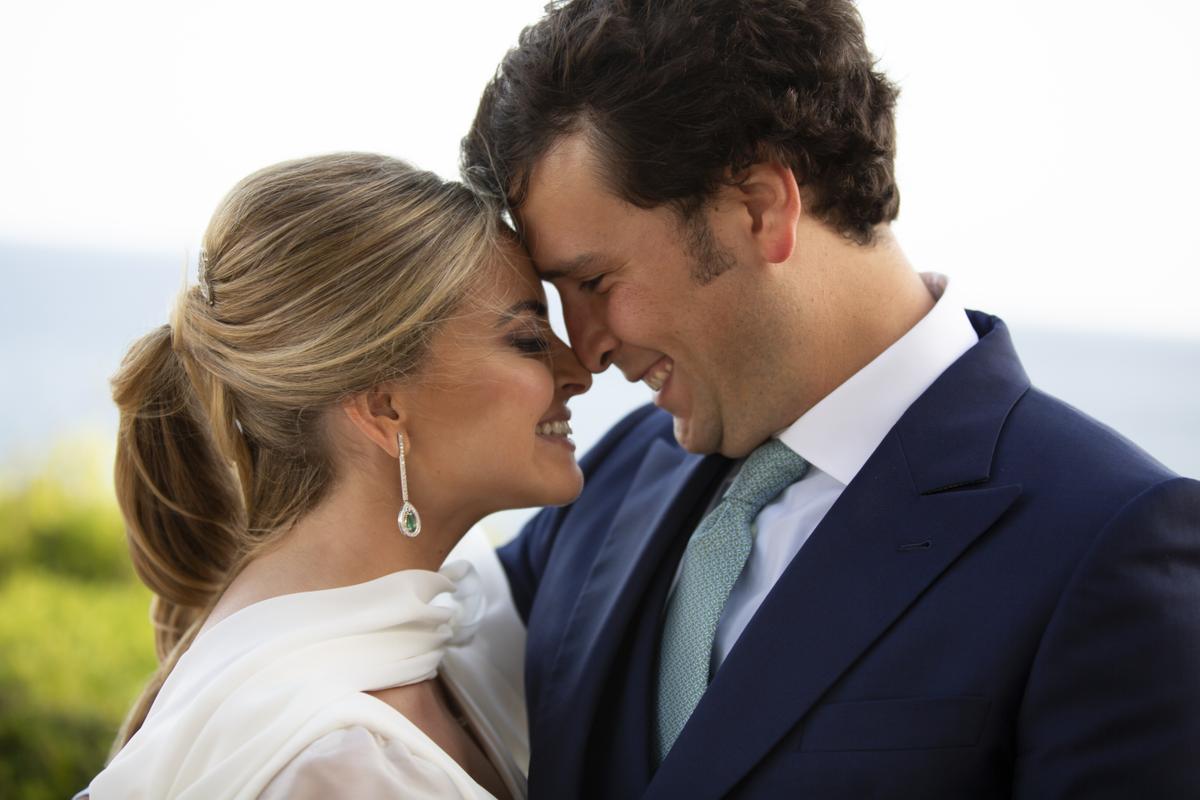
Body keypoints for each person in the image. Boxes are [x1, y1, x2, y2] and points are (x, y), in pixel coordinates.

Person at [461, 1, 1200, 797]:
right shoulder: (616, 475)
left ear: (760, 207)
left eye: (596, 281)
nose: (585, 349)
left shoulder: (1112, 545)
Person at [83, 153, 591, 799]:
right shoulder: (341, 767)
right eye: (528, 339)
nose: (580, 371)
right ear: (383, 407)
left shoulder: (424, 637)